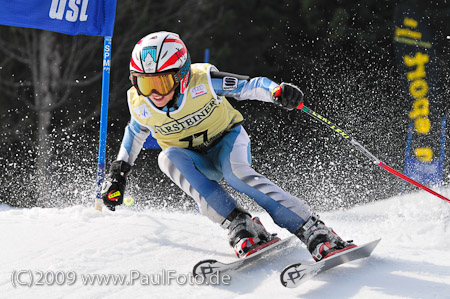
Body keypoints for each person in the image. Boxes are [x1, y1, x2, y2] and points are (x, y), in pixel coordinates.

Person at [101, 31, 356, 261]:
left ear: (181, 75)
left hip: (227, 142)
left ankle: (310, 228)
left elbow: (249, 86)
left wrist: (277, 91)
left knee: (237, 175)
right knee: (166, 158)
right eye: (145, 83)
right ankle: (239, 222)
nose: (154, 93)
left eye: (162, 83)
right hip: (195, 160)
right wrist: (118, 173)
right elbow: (135, 132)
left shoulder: (204, 81)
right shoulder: (140, 103)